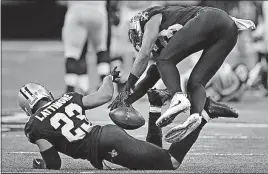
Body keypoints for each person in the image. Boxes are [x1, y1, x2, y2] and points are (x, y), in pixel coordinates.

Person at [19, 68, 220, 170]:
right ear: (44, 93)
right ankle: (155, 105)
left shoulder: (34, 125)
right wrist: (108, 79)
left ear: (28, 107)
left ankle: (204, 114)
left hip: (105, 146)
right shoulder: (67, 97)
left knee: (171, 162)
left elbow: (54, 163)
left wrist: (45, 163)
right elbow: (104, 96)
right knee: (155, 156)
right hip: (107, 133)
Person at [111, 5, 255, 140]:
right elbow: (152, 75)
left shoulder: (151, 18)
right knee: (195, 83)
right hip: (229, 31)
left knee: (164, 61)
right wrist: (126, 100)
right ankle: (195, 116)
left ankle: (178, 98)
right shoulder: (164, 40)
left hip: (212, 17)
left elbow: (144, 55)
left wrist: (128, 84)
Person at [61, 1, 110, 94]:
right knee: (101, 48)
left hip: (77, 9)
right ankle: (106, 85)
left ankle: (70, 89)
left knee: (72, 51)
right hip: (98, 9)